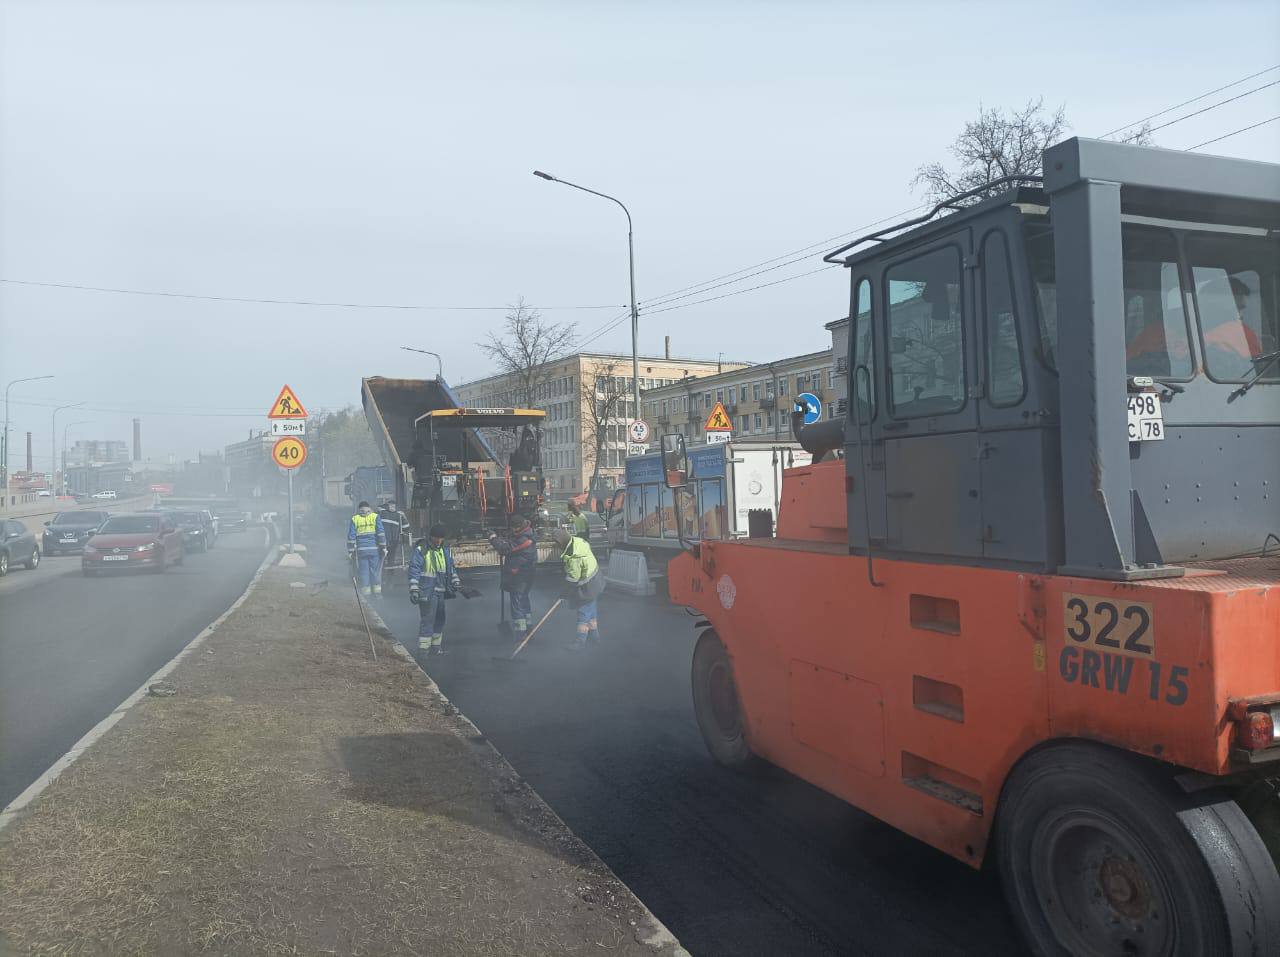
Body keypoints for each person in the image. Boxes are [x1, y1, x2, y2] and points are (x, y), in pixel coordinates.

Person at [409, 524, 461, 654]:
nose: (438, 540)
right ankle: (423, 651)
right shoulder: (422, 550)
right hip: (427, 591)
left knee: (440, 619)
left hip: (441, 591)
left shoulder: (445, 550)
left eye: (441, 538)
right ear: (431, 537)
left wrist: (455, 581)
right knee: (427, 620)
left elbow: (451, 568)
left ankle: (436, 647)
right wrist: (414, 589)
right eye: (436, 537)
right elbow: (414, 569)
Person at [553, 527, 605, 649]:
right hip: (597, 581)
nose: (557, 546)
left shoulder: (573, 557)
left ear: (562, 542)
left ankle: (580, 641)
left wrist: (564, 594)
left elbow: (572, 579)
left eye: (557, 543)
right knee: (591, 611)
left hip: (588, 587)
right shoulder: (578, 541)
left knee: (583, 612)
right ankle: (594, 637)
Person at [488, 513, 537, 633]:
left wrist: (493, 538)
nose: (513, 530)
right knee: (523, 600)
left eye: (514, 528)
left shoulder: (523, 539)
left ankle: (520, 634)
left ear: (520, 526)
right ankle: (528, 628)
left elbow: (505, 548)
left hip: (519, 577)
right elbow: (510, 545)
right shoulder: (526, 534)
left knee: (517, 603)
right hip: (525, 576)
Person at [346, 501, 386, 597]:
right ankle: (377, 594)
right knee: (375, 571)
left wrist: (350, 551)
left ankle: (367, 595)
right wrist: (383, 547)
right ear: (369, 508)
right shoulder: (375, 517)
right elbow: (381, 533)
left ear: (359, 509)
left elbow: (351, 536)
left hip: (361, 551)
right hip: (374, 550)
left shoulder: (355, 519)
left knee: (364, 572)